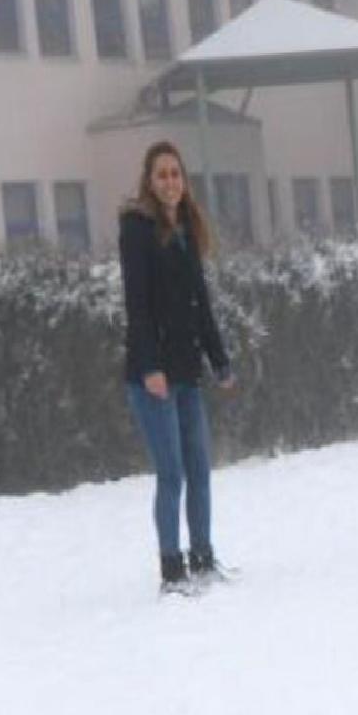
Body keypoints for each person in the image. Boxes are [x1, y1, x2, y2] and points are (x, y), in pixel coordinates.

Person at [117, 140, 236, 596]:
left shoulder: (186, 229)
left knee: (200, 469)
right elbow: (138, 304)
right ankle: (172, 569)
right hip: (153, 377)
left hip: (186, 372)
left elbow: (200, 304)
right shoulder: (137, 230)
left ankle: (203, 557)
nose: (170, 181)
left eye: (176, 174)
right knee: (172, 474)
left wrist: (219, 360)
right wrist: (149, 366)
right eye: (162, 174)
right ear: (149, 181)